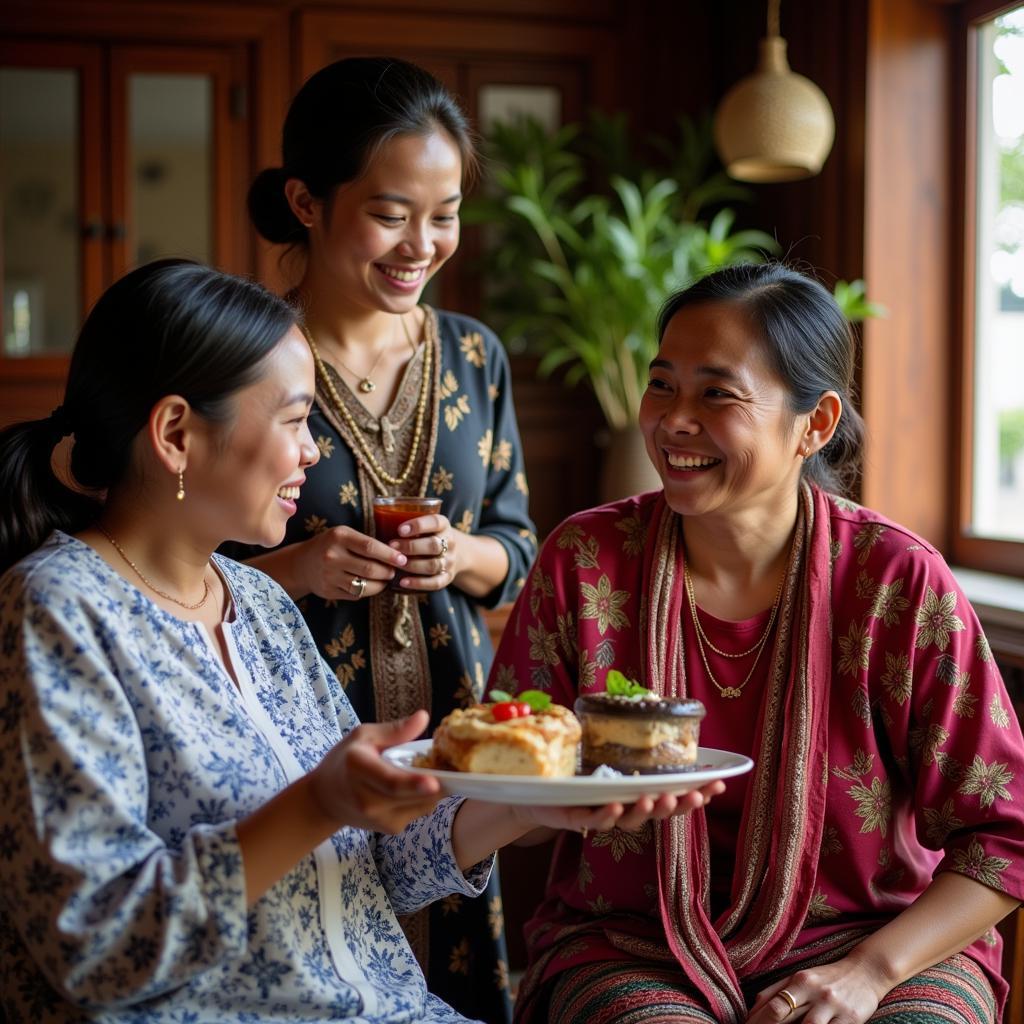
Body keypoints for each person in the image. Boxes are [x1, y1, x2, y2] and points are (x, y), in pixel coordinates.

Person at [0, 260, 722, 1024]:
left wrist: (539, 807)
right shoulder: (58, 612)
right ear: (176, 433)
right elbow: (93, 944)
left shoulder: (258, 603)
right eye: (292, 420)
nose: (313, 452)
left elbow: (377, 860)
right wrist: (319, 802)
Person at [489, 262, 1024, 1024]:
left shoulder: (896, 581)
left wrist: (869, 972)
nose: (673, 420)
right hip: (633, 944)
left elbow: (1006, 834)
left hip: (880, 941)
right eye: (662, 384)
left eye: (717, 394)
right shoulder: (586, 559)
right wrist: (568, 795)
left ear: (816, 424)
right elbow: (511, 782)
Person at [238, 57, 536, 1021]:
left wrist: (466, 556)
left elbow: (516, 546)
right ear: (306, 202)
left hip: (455, 725)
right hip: (295, 740)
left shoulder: (474, 357)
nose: (423, 244)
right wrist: (295, 570)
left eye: (443, 214)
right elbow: (177, 569)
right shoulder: (248, 360)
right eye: (391, 211)